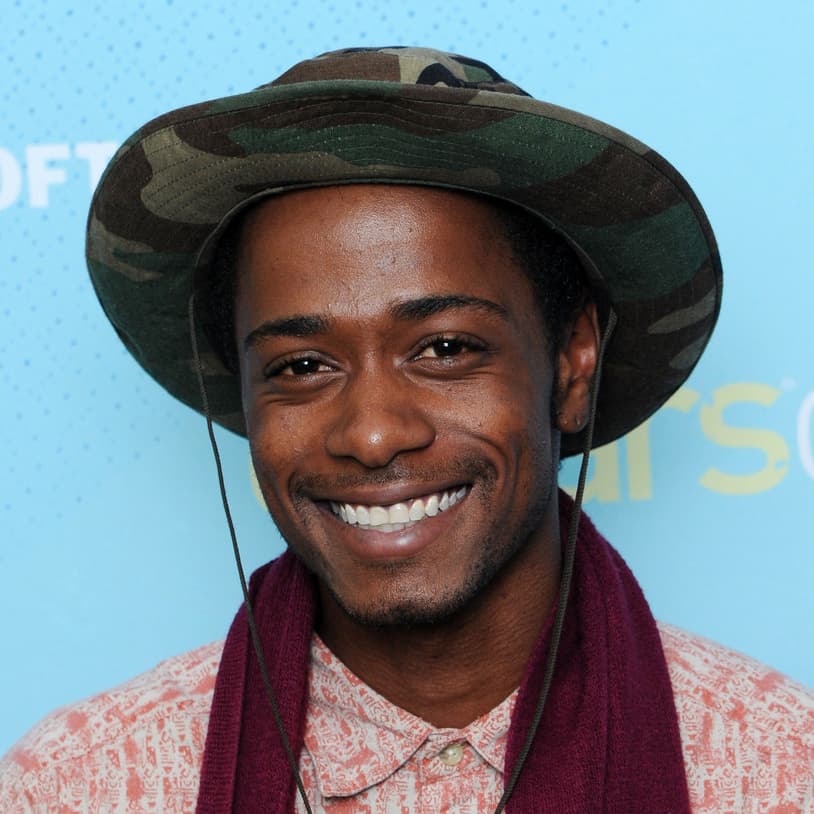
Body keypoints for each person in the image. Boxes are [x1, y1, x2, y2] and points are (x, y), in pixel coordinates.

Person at [1, 47, 812, 813]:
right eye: (302, 365)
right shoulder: (81, 786)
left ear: (571, 367)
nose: (374, 435)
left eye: (446, 349)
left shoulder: (780, 767)